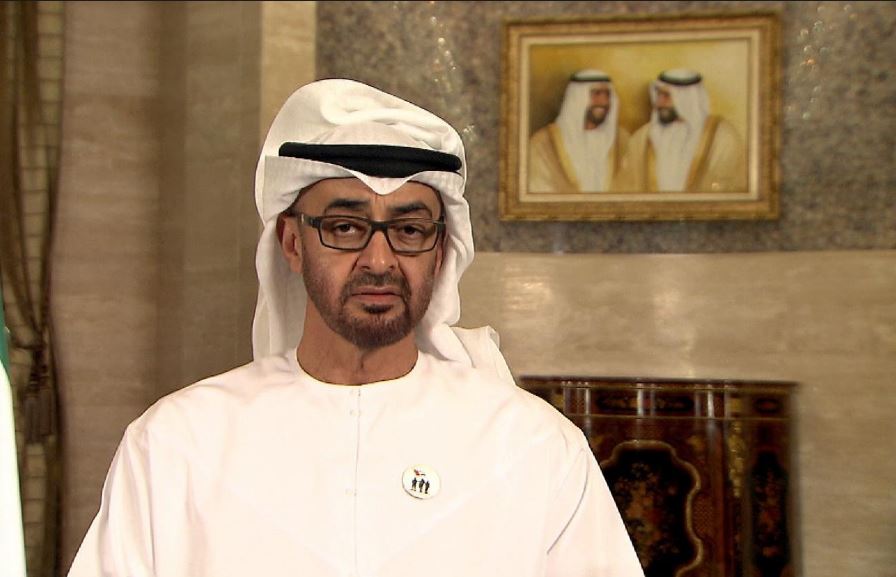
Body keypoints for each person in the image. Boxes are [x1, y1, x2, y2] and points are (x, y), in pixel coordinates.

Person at [67, 79, 644, 577]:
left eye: (409, 230)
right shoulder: (179, 444)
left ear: (440, 251)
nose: (379, 259)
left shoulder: (530, 447)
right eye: (345, 227)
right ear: (293, 243)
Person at [620, 69, 747, 192]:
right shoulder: (642, 138)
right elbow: (626, 186)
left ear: (686, 100)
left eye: (666, 96)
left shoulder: (722, 137)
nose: (659, 102)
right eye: (658, 94)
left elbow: (734, 186)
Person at [528, 70, 630, 193]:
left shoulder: (623, 140)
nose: (603, 102)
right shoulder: (542, 144)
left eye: (607, 95)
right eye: (596, 93)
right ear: (577, 98)